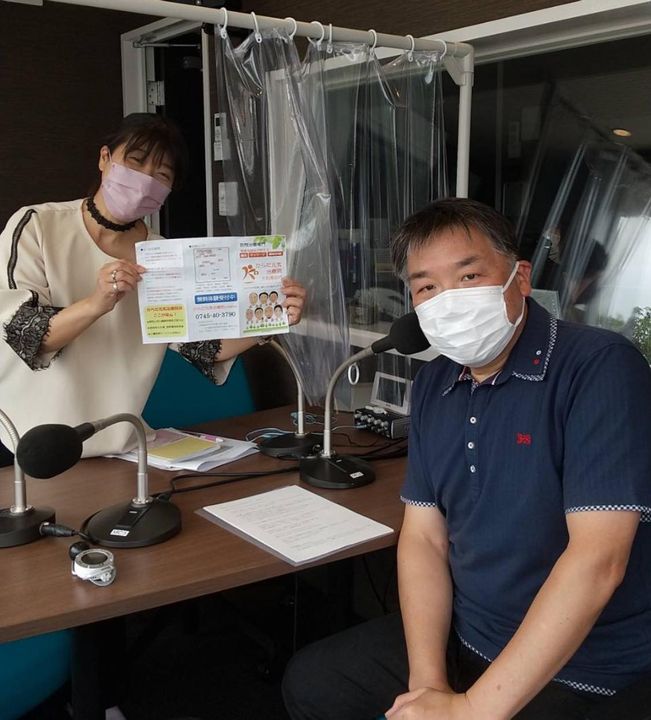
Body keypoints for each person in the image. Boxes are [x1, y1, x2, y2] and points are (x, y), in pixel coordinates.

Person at [282, 198, 651, 720]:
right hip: (469, 634)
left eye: (469, 275)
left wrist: (470, 711)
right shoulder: (435, 381)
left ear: (521, 278)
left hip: (582, 664)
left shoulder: (600, 367)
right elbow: (424, 537)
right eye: (426, 287)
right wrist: (428, 683)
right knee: (315, 682)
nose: (449, 300)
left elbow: (598, 560)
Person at [0, 113, 305, 459]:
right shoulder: (38, 226)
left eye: (162, 174)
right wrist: (97, 302)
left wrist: (271, 320)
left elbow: (202, 347)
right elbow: (24, 334)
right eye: (135, 161)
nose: (145, 180)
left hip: (118, 440)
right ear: (104, 158)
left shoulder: (162, 256)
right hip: (27, 438)